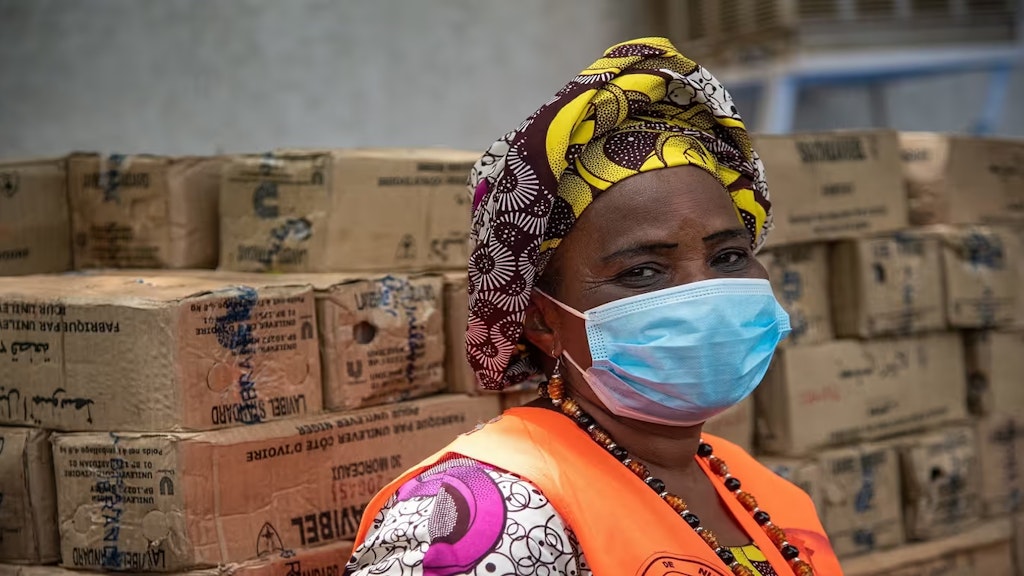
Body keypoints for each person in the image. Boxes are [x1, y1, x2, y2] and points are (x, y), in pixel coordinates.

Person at [345, 37, 843, 576]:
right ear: (541, 319)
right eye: (642, 271)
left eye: (728, 256)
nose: (704, 293)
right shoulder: (490, 514)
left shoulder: (756, 488)